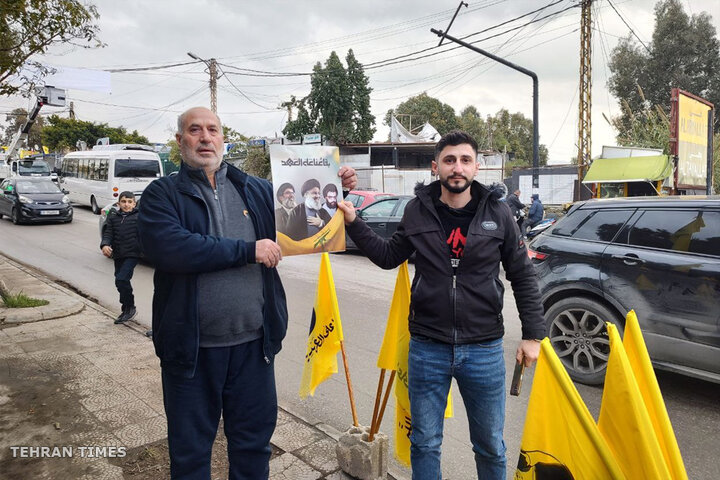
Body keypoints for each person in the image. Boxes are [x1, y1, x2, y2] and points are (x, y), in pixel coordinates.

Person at [138, 106, 357, 479]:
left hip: (254, 348)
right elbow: (169, 248)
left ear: (223, 138)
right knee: (190, 454)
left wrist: (333, 183)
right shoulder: (162, 194)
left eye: (213, 130)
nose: (205, 137)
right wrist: (246, 250)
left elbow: (300, 217)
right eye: (195, 130)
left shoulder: (253, 189)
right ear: (180, 141)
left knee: (253, 447)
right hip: (191, 353)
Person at [337, 130, 545, 480]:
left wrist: (533, 335)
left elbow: (522, 274)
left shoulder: (499, 213)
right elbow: (390, 255)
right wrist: (354, 223)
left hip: (484, 348)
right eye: (449, 160)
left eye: (465, 160)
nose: (457, 168)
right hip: (427, 347)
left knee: (491, 445)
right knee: (424, 443)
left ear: (477, 167)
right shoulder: (418, 210)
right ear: (436, 167)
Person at [100, 191, 141, 324]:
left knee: (122, 279)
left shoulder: (139, 217)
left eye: (130, 202)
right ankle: (126, 308)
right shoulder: (113, 217)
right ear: (118, 203)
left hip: (132, 254)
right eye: (123, 202)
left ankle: (130, 307)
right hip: (118, 254)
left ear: (134, 204)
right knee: (119, 282)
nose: (126, 204)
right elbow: (108, 233)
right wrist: (105, 245)